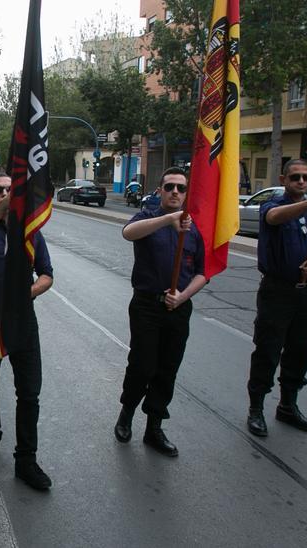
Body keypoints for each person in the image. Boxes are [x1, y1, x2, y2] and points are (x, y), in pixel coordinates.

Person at [0, 173, 54, 490]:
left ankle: (26, 461)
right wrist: (1, 208)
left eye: (10, 190)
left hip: (22, 320)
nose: (5, 193)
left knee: (29, 392)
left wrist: (27, 292)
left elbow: (47, 275)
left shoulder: (30, 233)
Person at [246, 159, 307, 438]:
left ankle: (288, 405)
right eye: (295, 177)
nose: (302, 182)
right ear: (284, 179)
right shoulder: (275, 204)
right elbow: (274, 218)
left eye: (306, 177)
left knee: (301, 350)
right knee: (267, 350)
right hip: (277, 291)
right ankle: (256, 408)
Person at [112, 167, 207, 458]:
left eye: (180, 188)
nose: (175, 192)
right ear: (160, 190)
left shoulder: (194, 230)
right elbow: (128, 233)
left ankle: (154, 427)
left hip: (177, 308)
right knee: (142, 365)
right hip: (146, 306)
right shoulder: (147, 217)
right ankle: (127, 413)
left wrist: (182, 297)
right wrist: (168, 220)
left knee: (167, 368)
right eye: (170, 187)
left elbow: (202, 273)